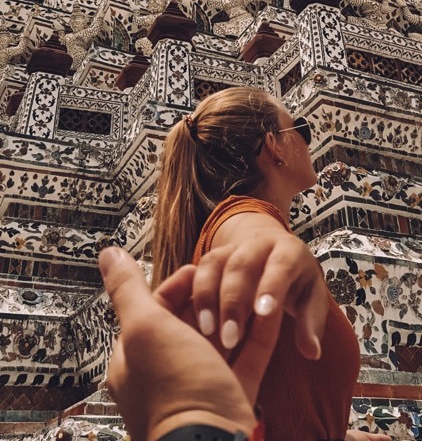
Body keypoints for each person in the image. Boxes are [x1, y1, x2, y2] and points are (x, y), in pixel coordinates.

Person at [152, 87, 386, 441]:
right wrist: (278, 251)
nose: (311, 141)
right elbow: (252, 237)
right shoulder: (241, 216)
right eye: (300, 129)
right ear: (273, 146)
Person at [99, 247, 391, 441]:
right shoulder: (247, 214)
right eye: (305, 146)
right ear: (275, 148)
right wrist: (184, 421)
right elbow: (258, 234)